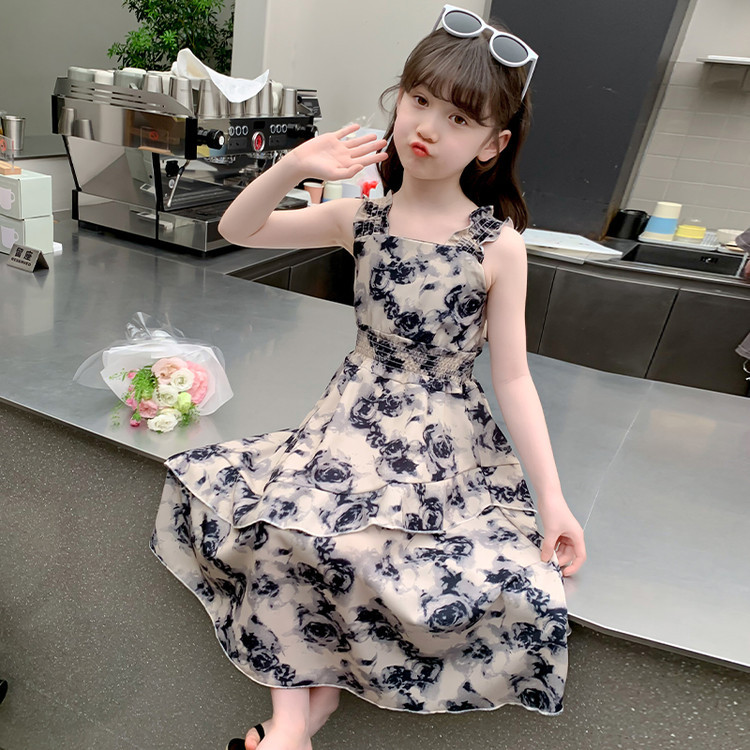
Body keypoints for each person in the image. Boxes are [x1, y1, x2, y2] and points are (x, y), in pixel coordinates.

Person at [150, 6, 586, 750]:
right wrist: (293, 166)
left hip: (444, 438)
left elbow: (513, 378)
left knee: (383, 558)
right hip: (348, 420)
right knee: (284, 529)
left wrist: (553, 501)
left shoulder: (499, 246)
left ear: (493, 144)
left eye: (458, 118)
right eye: (419, 100)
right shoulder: (361, 218)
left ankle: (300, 720)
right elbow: (236, 229)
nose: (428, 127)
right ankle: (296, 723)